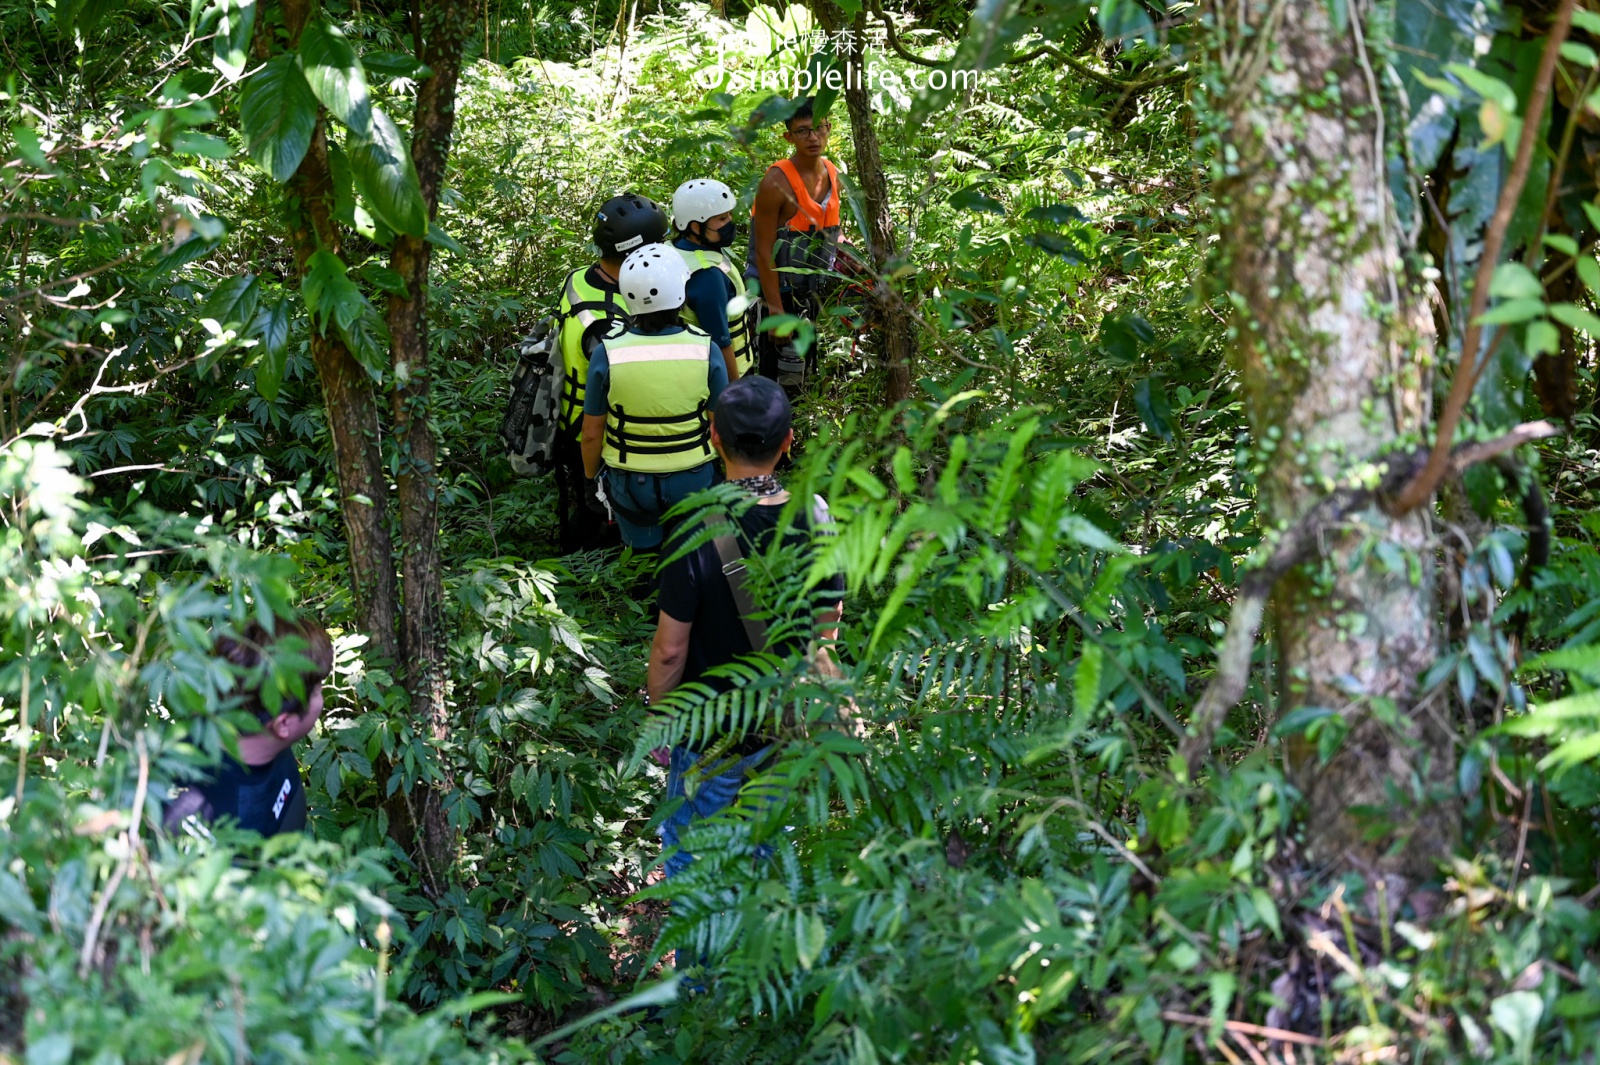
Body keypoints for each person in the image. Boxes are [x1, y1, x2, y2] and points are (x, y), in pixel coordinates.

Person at [646, 376, 845, 876]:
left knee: (696, 869)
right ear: (788, 442)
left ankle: (709, 953)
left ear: (713, 437)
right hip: (784, 726)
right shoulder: (816, 516)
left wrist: (661, 722)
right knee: (771, 857)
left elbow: (671, 650)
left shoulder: (695, 525)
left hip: (709, 733)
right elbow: (828, 623)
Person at [580, 242, 729, 553]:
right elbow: (720, 428)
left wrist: (590, 478)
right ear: (680, 291)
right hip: (695, 477)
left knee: (643, 563)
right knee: (695, 557)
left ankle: (649, 597)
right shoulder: (706, 349)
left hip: (631, 481)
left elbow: (592, 433)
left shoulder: (607, 352)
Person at [552, 193, 670, 553]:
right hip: (595, 432)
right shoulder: (609, 322)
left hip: (572, 422)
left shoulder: (580, 278)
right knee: (605, 517)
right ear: (638, 253)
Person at [164, 617, 334, 839]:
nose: (321, 696)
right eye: (316, 692)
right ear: (283, 724)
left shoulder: (263, 733)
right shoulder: (197, 815)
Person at [746, 97, 855, 388]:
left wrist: (845, 250)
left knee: (808, 376)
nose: (814, 137)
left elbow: (830, 226)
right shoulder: (776, 182)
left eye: (820, 128)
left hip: (814, 298)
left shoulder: (832, 173)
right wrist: (776, 311)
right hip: (779, 298)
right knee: (778, 380)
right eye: (803, 131)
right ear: (789, 136)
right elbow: (763, 249)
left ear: (829, 128)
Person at [672, 178, 753, 382]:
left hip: (687, 368)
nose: (729, 223)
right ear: (696, 227)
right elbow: (720, 342)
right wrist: (734, 392)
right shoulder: (707, 274)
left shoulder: (673, 249)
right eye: (721, 219)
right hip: (718, 375)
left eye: (729, 216)